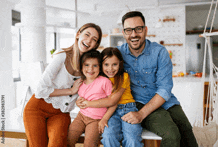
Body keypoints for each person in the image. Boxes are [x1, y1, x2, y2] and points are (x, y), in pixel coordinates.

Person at [116, 11, 198, 147]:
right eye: (129, 30)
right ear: (123, 33)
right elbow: (95, 67)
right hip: (139, 102)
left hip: (166, 100)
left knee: (187, 132)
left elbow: (165, 89)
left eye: (138, 29)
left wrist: (140, 115)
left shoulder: (160, 52)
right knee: (171, 135)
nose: (134, 34)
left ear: (145, 30)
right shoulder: (117, 54)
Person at [23, 23, 102, 147]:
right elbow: (40, 90)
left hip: (61, 113)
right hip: (37, 108)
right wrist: (70, 91)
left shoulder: (90, 66)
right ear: (78, 35)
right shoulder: (62, 55)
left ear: (96, 45)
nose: (89, 40)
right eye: (87, 35)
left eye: (94, 40)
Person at [77, 47, 144, 147]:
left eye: (114, 64)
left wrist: (90, 106)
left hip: (127, 109)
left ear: (120, 64)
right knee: (108, 136)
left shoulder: (123, 77)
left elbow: (113, 100)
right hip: (110, 112)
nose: (110, 69)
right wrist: (79, 101)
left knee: (132, 138)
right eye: (106, 64)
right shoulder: (99, 79)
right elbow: (89, 93)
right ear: (101, 65)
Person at [67, 50, 113, 147]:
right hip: (81, 116)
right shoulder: (81, 82)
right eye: (86, 65)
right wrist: (77, 103)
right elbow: (82, 98)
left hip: (96, 120)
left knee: (90, 144)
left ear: (100, 67)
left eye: (95, 65)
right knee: (68, 138)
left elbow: (113, 102)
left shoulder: (105, 81)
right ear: (82, 67)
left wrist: (105, 118)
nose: (90, 69)